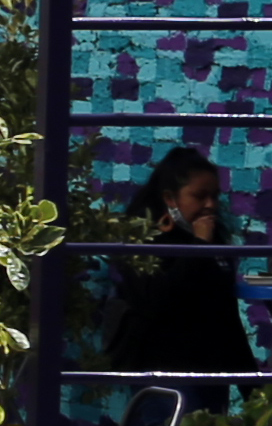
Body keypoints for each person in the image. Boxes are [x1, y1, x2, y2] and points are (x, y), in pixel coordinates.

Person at [103, 146, 254, 398]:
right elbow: (158, 300)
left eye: (215, 196)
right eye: (199, 196)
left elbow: (225, 314)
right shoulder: (144, 241)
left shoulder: (214, 240)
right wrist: (199, 247)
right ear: (170, 199)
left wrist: (249, 384)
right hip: (166, 369)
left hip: (210, 369)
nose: (210, 205)